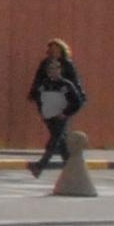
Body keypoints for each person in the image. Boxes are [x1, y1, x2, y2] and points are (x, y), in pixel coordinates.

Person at [28, 40, 84, 175]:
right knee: (60, 138)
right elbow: (37, 81)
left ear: (61, 49)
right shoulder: (44, 64)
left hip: (64, 105)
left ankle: (40, 165)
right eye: (50, 48)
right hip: (48, 105)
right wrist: (34, 95)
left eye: (55, 48)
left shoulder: (67, 65)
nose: (52, 50)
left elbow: (76, 84)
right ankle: (71, 168)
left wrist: (73, 105)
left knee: (56, 137)